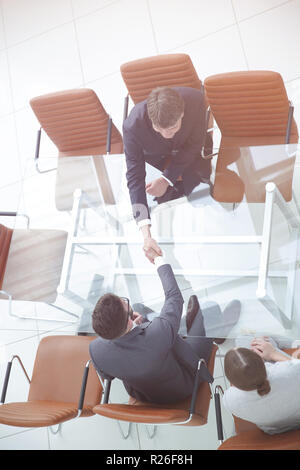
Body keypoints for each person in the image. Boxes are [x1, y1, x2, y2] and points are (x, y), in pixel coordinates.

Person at [89, 254, 241, 405]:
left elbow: (107, 376)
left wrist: (134, 329)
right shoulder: (156, 334)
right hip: (184, 386)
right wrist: (158, 261)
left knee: (140, 309)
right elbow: (174, 297)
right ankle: (219, 334)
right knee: (211, 308)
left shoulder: (96, 349)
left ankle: (180, 325)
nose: (124, 301)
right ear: (128, 322)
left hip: (144, 393)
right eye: (124, 302)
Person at [123, 86, 212, 264]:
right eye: (159, 129)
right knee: (165, 208)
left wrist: (166, 178)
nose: (166, 134)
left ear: (182, 114)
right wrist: (145, 233)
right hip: (159, 158)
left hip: (191, 154)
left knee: (203, 200)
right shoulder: (132, 126)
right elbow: (135, 177)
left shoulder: (195, 101)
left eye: (172, 127)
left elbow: (195, 145)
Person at [222, 337, 300, 435]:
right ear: (262, 361)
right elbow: (295, 369)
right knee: (259, 340)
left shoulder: (230, 400)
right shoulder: (288, 372)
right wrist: (273, 353)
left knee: (246, 340)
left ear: (232, 382)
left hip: (272, 431)